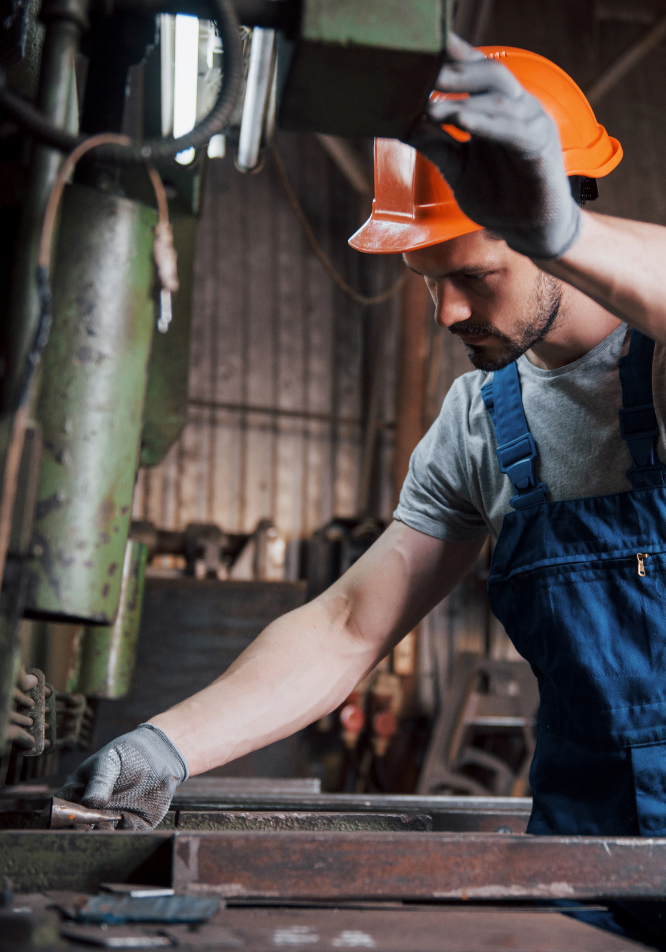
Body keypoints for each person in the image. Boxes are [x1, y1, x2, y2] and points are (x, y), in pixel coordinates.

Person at [60, 36, 666, 881]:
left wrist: (566, 231)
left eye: (476, 274)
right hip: (589, 857)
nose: (448, 311)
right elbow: (349, 627)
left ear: (558, 227)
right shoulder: (480, 423)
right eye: (427, 278)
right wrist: (168, 745)